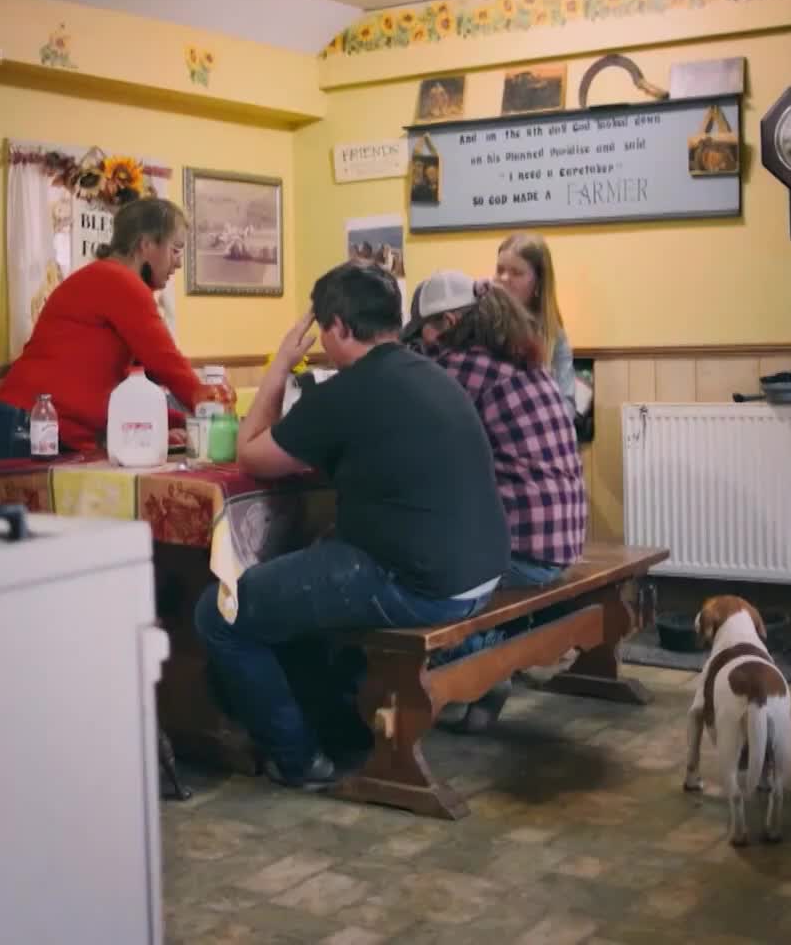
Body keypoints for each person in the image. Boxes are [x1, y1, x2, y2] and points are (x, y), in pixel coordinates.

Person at [195, 263, 511, 789]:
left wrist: (279, 367)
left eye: (321, 329)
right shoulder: (429, 371)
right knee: (316, 558)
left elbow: (252, 454)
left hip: (424, 585)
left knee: (219, 612)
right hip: (482, 571)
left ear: (339, 327)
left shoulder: (347, 391)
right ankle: (336, 721)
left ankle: (298, 759)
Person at [406, 273, 590, 732]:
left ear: (447, 322)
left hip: (523, 552)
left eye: (422, 332)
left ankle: (479, 661)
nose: (420, 344)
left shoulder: (460, 368)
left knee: (403, 574)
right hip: (562, 541)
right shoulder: (519, 360)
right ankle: (484, 666)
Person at [0, 197, 230, 450]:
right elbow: (166, 362)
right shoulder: (120, 282)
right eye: (176, 249)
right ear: (146, 245)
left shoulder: (106, 277)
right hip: (31, 424)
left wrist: (174, 423)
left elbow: (132, 386)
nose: (179, 263)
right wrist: (212, 415)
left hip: (30, 421)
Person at [494, 232, 577, 416]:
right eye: (500, 270)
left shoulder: (554, 335)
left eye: (516, 273)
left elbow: (567, 402)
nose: (504, 279)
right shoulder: (483, 325)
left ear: (538, 283)